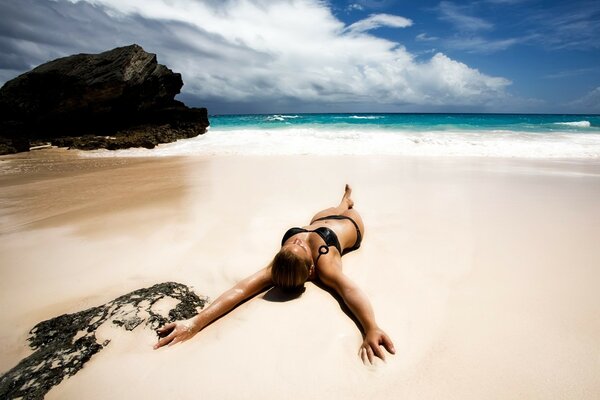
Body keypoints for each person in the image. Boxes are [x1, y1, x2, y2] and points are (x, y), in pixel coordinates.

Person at [154, 185, 395, 364]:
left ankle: (344, 201)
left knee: (332, 209)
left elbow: (240, 289)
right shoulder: (324, 265)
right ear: (310, 271)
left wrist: (194, 322)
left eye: (293, 244)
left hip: (320, 220)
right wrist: (371, 327)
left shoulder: (283, 264)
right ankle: (347, 205)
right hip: (350, 224)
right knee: (342, 211)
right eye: (297, 246)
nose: (298, 239)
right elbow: (349, 290)